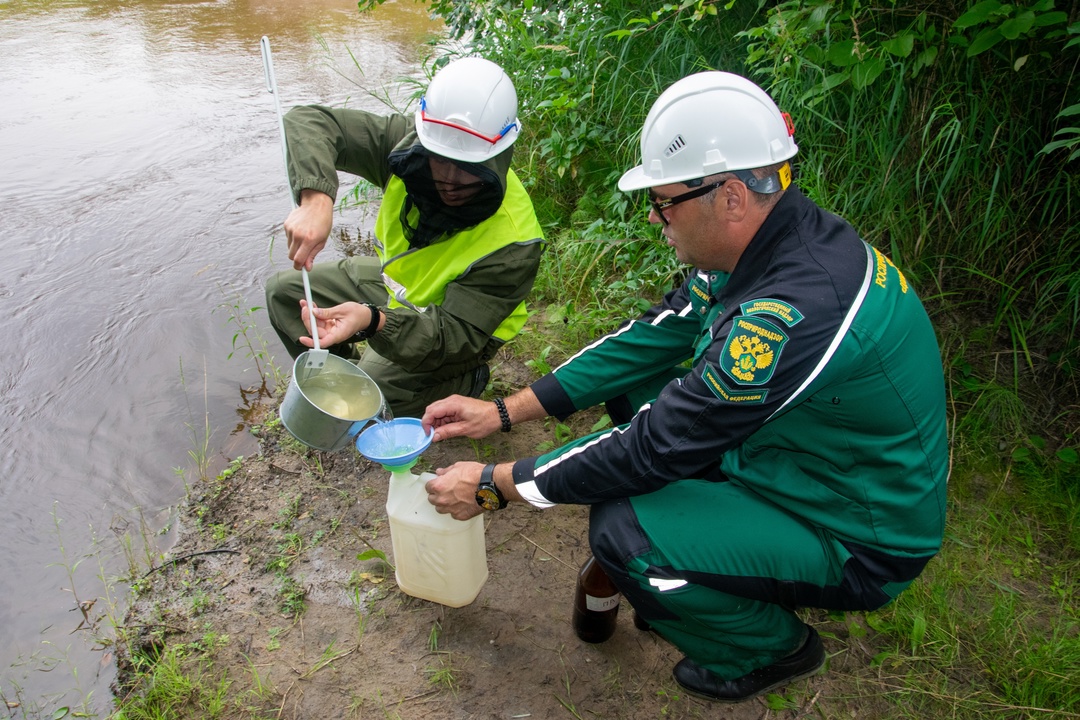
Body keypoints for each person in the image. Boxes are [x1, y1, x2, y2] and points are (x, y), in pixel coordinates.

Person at [420, 71, 948, 703]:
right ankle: (704, 569)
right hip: (796, 459)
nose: (654, 217)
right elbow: (650, 339)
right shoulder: (768, 244)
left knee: (624, 532)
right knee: (633, 396)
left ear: (728, 197)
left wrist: (494, 485)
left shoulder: (791, 310)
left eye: (664, 201)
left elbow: (654, 448)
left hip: (858, 529)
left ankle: (771, 648)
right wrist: (503, 412)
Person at [265, 57, 544, 417]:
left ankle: (466, 380)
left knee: (367, 397)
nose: (449, 178)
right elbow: (308, 121)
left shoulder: (516, 243)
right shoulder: (404, 147)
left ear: (500, 154)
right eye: (439, 158)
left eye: (468, 167)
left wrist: (371, 322)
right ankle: (344, 371)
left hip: (455, 333)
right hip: (398, 290)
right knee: (284, 294)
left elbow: (451, 337)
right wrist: (316, 198)